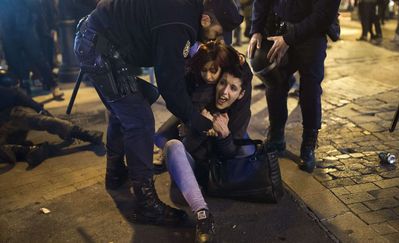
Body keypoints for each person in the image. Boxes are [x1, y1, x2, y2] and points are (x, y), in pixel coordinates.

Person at [73, 0, 243, 226]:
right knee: (140, 120)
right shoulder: (179, 23)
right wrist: (198, 121)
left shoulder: (186, 12)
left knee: (124, 108)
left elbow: (180, 57)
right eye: (216, 32)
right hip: (99, 47)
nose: (214, 39)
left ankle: (114, 172)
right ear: (205, 20)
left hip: (101, 41)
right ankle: (145, 204)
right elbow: (170, 85)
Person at [164, 58, 253, 243]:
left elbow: (231, 157)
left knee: (247, 144)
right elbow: (182, 146)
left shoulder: (239, 114)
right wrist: (200, 128)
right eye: (222, 83)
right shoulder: (201, 102)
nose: (224, 92)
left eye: (233, 88)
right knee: (172, 146)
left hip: (218, 174)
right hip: (194, 168)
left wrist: (225, 135)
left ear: (241, 94)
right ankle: (203, 216)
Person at [247, 0, 340, 173]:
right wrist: (257, 30)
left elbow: (324, 15)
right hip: (277, 27)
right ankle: (276, 138)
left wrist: (289, 38)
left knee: (310, 89)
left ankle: (308, 144)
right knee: (274, 84)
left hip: (312, 35)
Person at [0, 85, 103, 167]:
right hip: (5, 135)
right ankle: (34, 151)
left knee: (40, 120)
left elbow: (16, 95)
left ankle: (83, 133)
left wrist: (41, 111)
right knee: (8, 150)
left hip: (10, 116)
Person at [0, 0, 63, 98]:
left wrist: (41, 24)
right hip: (7, 29)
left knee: (37, 57)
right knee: (13, 61)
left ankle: (53, 85)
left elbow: (35, 4)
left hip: (25, 25)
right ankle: (23, 89)